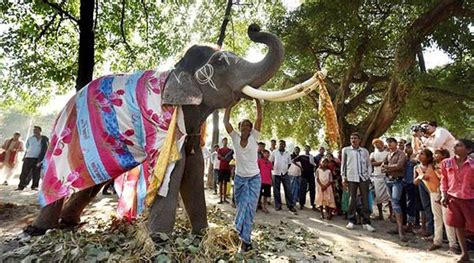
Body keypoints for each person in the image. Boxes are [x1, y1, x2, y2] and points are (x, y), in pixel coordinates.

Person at [223, 99, 262, 252]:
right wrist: (230, 105)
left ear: (251, 129)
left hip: (254, 179)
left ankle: (243, 238)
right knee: (241, 207)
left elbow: (259, 118)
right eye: (242, 125)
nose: (245, 127)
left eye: (248, 125)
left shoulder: (254, 138)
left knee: (249, 208)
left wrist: (258, 100)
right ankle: (245, 239)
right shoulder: (235, 138)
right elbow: (226, 121)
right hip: (239, 179)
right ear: (239, 128)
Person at [414, 149, 457, 253]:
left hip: (443, 193)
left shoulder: (437, 166)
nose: (419, 155)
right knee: (437, 218)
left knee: (447, 219)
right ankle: (437, 241)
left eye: (422, 154)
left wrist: (442, 195)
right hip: (434, 193)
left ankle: (453, 245)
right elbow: (416, 181)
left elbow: (443, 180)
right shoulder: (422, 167)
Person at [441, 139, 474, 262]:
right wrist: (444, 194)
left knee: (471, 227)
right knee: (458, 226)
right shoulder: (446, 163)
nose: (454, 147)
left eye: (459, 145)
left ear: (469, 150)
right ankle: (465, 254)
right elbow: (444, 179)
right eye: (454, 145)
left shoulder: (472, 165)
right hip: (453, 199)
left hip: (469, 199)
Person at [341, 132, 375, 232]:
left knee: (365, 199)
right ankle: (351, 220)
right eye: (351, 138)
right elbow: (343, 165)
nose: (353, 140)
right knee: (352, 198)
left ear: (360, 140)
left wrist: (368, 176)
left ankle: (366, 222)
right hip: (352, 177)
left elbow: (369, 165)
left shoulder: (364, 151)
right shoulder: (346, 150)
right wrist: (343, 177)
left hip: (363, 177)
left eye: (355, 138)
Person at [383, 137, 407, 241]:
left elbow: (400, 166)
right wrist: (387, 167)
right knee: (394, 202)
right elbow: (383, 164)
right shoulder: (388, 154)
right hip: (389, 180)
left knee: (396, 203)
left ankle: (401, 230)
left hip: (397, 180)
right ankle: (398, 228)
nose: (389, 145)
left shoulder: (401, 153)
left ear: (396, 143)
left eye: (391, 143)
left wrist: (387, 167)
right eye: (388, 143)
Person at [16, 126, 49, 191]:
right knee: (24, 172)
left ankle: (34, 186)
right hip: (28, 157)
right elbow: (27, 148)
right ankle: (21, 186)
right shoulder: (30, 139)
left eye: (36, 130)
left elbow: (46, 149)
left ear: (40, 131)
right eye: (34, 130)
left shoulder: (44, 139)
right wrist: (24, 156)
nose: (34, 131)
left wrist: (41, 160)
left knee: (36, 173)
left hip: (38, 159)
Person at [270, 140, 297, 213]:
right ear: (278, 145)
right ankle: (278, 206)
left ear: (285, 145)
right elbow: (271, 161)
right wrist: (274, 169)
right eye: (280, 144)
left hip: (285, 174)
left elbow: (289, 163)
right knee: (276, 190)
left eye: (283, 144)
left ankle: (290, 206)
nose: (281, 145)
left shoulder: (287, 153)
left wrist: (285, 170)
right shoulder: (274, 152)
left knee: (288, 190)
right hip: (276, 173)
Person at [370, 138, 391, 220]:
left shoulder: (388, 153)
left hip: (386, 175)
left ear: (382, 144)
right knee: (378, 196)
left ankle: (391, 214)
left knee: (389, 196)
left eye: (378, 143)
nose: (376, 145)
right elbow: (371, 163)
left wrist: (379, 163)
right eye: (375, 144)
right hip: (376, 176)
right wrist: (381, 162)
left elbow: (388, 163)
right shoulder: (373, 154)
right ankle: (380, 214)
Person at [293, 145, 317, 210]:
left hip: (311, 175)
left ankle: (313, 204)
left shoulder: (312, 157)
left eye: (308, 148)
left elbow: (316, 165)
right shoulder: (301, 156)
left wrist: (314, 168)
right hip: (303, 175)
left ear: (310, 149)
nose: (307, 149)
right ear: (304, 149)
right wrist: (300, 167)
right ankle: (301, 204)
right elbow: (293, 161)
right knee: (302, 190)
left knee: (312, 189)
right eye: (306, 148)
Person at [403, 143, 418, 233]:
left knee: (411, 204)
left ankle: (411, 224)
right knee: (405, 204)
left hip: (412, 184)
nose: (406, 149)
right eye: (406, 147)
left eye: (408, 147)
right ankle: (405, 223)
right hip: (404, 182)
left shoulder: (415, 159)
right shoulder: (404, 158)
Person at [217, 138, 232, 204]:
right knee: (220, 183)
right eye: (224, 141)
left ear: (227, 142)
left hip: (227, 168)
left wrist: (224, 158)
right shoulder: (220, 150)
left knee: (226, 183)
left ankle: (224, 198)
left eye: (226, 141)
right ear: (222, 142)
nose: (225, 142)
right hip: (221, 168)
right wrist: (225, 158)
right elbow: (219, 157)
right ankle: (220, 198)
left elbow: (230, 159)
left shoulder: (230, 150)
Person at [258, 149, 273, 213]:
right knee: (258, 194)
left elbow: (270, 172)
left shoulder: (270, 163)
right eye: (265, 153)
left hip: (267, 181)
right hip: (260, 180)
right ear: (263, 154)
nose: (267, 154)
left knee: (266, 195)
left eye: (268, 153)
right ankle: (256, 206)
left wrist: (271, 180)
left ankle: (264, 207)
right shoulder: (259, 161)